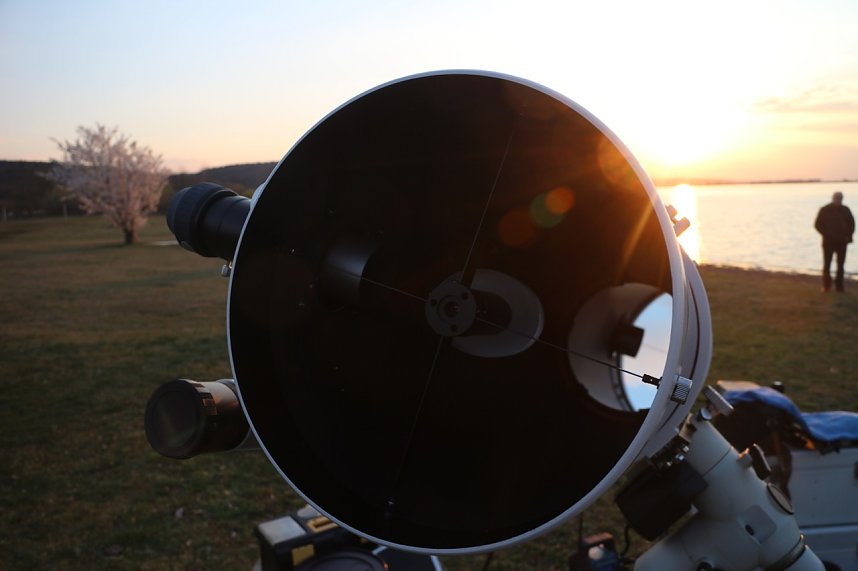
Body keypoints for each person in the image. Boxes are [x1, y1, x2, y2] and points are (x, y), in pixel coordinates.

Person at [814, 191, 855, 292]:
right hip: (828, 242)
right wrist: (826, 234)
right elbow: (817, 224)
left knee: (840, 265)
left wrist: (848, 236)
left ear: (842, 199)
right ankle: (826, 286)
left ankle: (839, 287)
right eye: (836, 198)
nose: (838, 200)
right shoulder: (825, 210)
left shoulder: (846, 210)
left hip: (842, 242)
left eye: (840, 198)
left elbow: (852, 224)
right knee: (827, 264)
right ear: (833, 198)